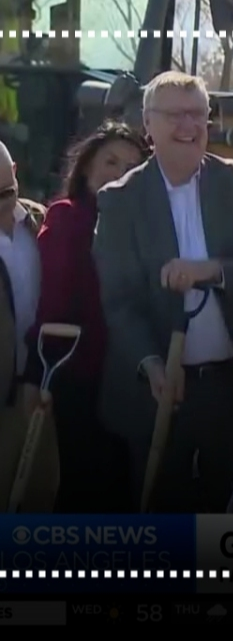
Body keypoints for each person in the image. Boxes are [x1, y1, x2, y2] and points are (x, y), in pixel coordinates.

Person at [94, 71, 233, 512]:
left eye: (198, 114)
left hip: (230, 387)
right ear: (148, 125)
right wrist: (152, 364)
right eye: (175, 115)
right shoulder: (120, 201)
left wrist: (210, 271)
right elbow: (119, 301)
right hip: (160, 392)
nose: (189, 125)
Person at [23, 121, 150, 512]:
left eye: (130, 167)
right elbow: (54, 298)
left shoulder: (141, 229)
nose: (117, 173)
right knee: (78, 481)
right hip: (73, 372)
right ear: (88, 166)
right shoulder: (68, 217)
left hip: (126, 375)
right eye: (110, 161)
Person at [0, 138, 56, 512]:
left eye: (4, 193)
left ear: (16, 173)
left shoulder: (45, 226)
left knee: (41, 497)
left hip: (43, 391)